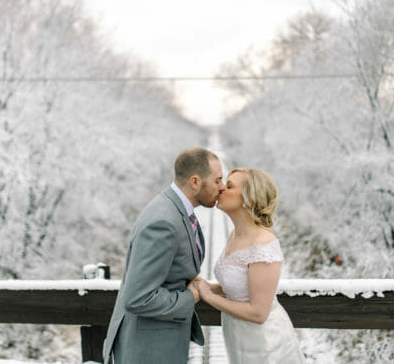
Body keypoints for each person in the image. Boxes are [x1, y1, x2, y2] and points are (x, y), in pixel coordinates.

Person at [103, 147, 225, 364]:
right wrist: (191, 296)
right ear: (195, 181)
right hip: (148, 350)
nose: (222, 187)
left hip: (160, 343)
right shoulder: (164, 222)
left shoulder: (177, 211)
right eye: (217, 180)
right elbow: (138, 297)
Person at [193, 168, 305, 363]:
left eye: (229, 186)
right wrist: (205, 286)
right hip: (238, 337)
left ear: (249, 198)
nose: (220, 189)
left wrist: (209, 296)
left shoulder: (263, 244)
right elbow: (240, 287)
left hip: (265, 342)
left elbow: (259, 312)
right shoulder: (234, 235)